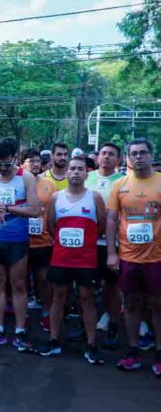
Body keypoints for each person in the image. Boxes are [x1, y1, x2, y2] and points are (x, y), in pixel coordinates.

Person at [38, 156, 106, 365]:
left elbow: (101, 227)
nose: (76, 172)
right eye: (72, 169)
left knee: (87, 299)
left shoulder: (94, 197)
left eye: (80, 169)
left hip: (86, 260)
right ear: (66, 173)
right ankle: (53, 339)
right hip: (61, 258)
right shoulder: (56, 198)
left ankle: (92, 343)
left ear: (87, 174)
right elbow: (50, 227)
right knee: (58, 297)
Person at [0, 138, 40, 351]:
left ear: (15, 159)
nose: (3, 169)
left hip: (17, 239)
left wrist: (9, 209)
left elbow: (34, 210)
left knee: (19, 284)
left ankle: (20, 331)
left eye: (7, 164)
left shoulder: (26, 178)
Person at [106, 138, 161, 375]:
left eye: (142, 153)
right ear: (128, 158)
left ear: (151, 155)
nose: (138, 157)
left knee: (157, 305)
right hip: (128, 257)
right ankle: (133, 351)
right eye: (134, 154)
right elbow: (110, 220)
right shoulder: (120, 185)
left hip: (156, 258)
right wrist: (111, 253)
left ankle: (159, 352)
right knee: (130, 304)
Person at [85, 142, 125, 349]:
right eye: (103, 153)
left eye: (111, 154)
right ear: (97, 157)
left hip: (112, 243)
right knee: (86, 288)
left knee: (112, 287)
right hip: (86, 243)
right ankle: (86, 327)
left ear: (118, 160)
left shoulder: (123, 181)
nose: (106, 157)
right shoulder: (87, 178)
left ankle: (113, 324)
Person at [21, 148, 56, 332]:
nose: (35, 164)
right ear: (22, 163)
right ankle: (23, 314)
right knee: (22, 280)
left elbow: (52, 212)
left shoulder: (48, 184)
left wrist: (52, 234)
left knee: (43, 280)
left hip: (43, 241)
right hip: (20, 240)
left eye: (37, 161)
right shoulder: (17, 182)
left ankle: (46, 313)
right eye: (30, 161)